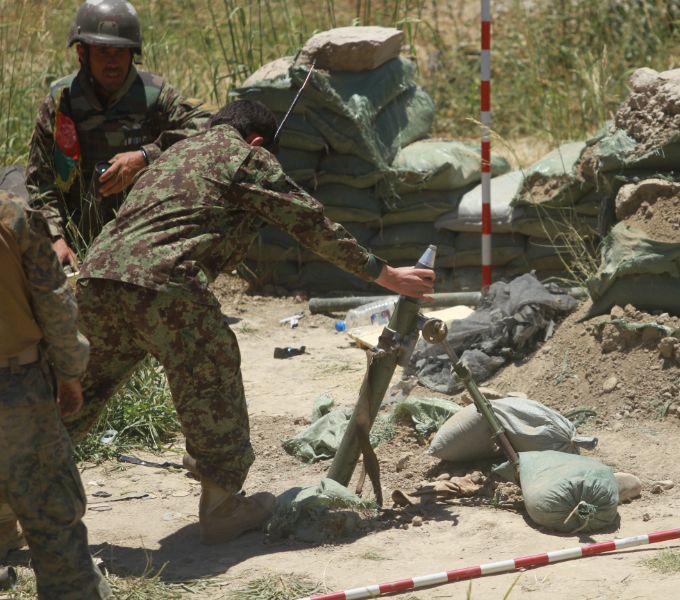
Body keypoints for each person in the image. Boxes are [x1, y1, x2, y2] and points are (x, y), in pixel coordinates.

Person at [67, 99, 436, 544]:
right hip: (164, 285)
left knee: (74, 395)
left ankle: (11, 503)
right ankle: (222, 505)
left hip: (96, 280)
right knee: (212, 375)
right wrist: (387, 274)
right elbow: (309, 222)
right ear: (258, 142)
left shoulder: (177, 153)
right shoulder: (245, 155)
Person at [26, 0, 211, 265]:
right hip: (76, 231)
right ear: (82, 52)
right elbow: (41, 182)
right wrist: (56, 239)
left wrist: (145, 156)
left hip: (145, 227)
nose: (113, 62)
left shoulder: (154, 95)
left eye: (120, 52)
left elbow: (207, 126)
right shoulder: (61, 101)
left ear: (133, 53)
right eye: (102, 52)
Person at [0, 190, 111, 599]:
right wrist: (70, 373)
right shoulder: (10, 214)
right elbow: (54, 304)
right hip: (15, 391)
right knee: (51, 516)